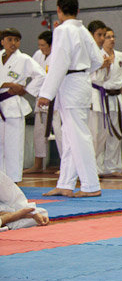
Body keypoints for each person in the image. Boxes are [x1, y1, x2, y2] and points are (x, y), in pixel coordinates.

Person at [37, 0, 105, 198]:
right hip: (79, 82)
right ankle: (65, 183)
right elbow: (98, 60)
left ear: (58, 10)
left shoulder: (62, 30)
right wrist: (81, 71)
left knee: (78, 136)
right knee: (69, 137)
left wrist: (46, 93)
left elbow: (59, 62)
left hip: (71, 85)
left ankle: (91, 185)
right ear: (77, 10)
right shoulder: (83, 30)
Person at [0, 28, 46, 183]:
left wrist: (25, 90)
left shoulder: (24, 59)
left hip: (13, 105)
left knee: (14, 145)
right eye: (9, 40)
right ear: (2, 41)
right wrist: (8, 84)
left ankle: (13, 180)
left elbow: (41, 75)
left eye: (16, 40)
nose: (13, 43)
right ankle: (1, 181)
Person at [96, 27, 122, 177]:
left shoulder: (121, 56)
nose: (112, 40)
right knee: (100, 134)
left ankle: (113, 167)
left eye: (113, 37)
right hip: (101, 97)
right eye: (108, 37)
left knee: (116, 133)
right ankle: (98, 168)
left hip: (117, 98)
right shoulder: (97, 56)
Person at [24, 30, 64, 174]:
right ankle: (38, 164)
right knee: (39, 133)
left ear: (51, 45)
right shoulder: (37, 55)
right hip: (40, 97)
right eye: (39, 45)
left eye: (43, 45)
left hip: (55, 99)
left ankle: (65, 165)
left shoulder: (59, 56)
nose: (41, 48)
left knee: (59, 133)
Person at [86, 20, 112, 176]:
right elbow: (82, 72)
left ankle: (97, 166)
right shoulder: (86, 52)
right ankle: (88, 168)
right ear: (91, 35)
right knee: (92, 134)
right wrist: (100, 65)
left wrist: (106, 67)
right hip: (90, 94)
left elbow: (106, 78)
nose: (102, 38)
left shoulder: (103, 54)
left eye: (104, 35)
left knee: (102, 134)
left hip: (101, 95)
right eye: (99, 35)